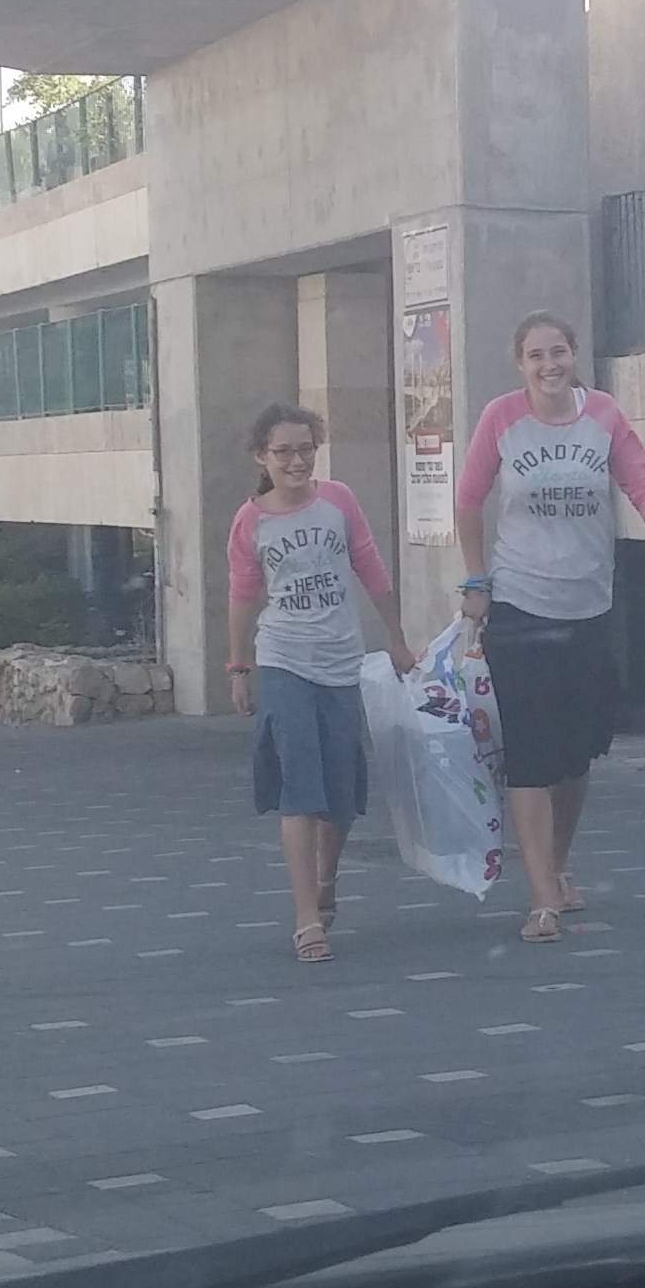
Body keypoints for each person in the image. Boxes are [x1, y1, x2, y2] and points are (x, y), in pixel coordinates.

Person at [453, 313, 645, 945]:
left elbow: (640, 481)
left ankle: (555, 864)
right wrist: (476, 579)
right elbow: (468, 499)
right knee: (530, 754)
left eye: (558, 352)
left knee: (576, 755)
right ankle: (541, 899)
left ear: (574, 355)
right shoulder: (501, 417)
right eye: (535, 355)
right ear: (519, 364)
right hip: (521, 607)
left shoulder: (602, 414)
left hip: (588, 607)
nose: (548, 365)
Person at [229, 403, 399, 963]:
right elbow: (242, 595)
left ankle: (328, 876)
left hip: (341, 661)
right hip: (284, 662)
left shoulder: (338, 502)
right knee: (298, 788)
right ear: (262, 457)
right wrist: (238, 667)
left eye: (306, 449)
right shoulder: (251, 521)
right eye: (284, 452)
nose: (297, 461)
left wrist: (397, 639)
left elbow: (370, 567)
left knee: (340, 795)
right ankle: (306, 919)